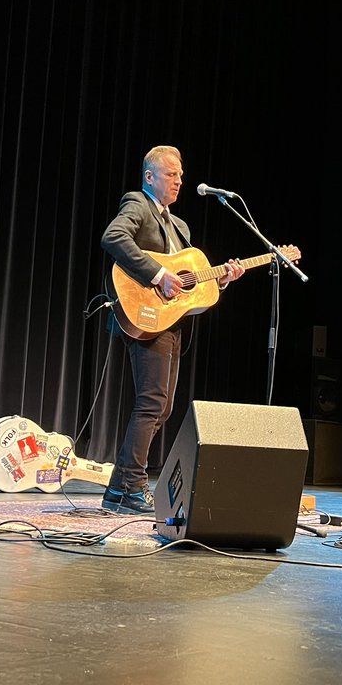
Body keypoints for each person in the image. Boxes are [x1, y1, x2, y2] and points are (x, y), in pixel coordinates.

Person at [99, 145, 245, 514]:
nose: (180, 180)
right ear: (150, 177)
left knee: (161, 408)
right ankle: (133, 487)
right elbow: (114, 238)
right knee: (152, 403)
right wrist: (159, 274)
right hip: (145, 315)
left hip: (172, 321)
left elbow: (192, 279)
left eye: (181, 174)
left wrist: (225, 278)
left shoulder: (180, 226)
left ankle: (118, 491)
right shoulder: (138, 203)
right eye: (171, 174)